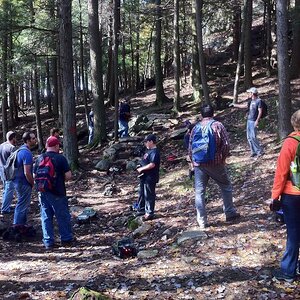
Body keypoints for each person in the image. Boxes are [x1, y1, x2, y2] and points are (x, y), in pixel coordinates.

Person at [189, 104, 240, 229]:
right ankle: (229, 212)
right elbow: (226, 144)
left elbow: (190, 147)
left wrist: (192, 162)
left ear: (201, 115)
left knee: (199, 192)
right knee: (226, 186)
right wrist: (223, 158)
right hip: (216, 163)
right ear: (213, 113)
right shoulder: (218, 125)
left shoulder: (196, 128)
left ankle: (202, 221)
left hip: (199, 165)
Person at [271, 109, 300, 283]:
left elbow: (282, 172)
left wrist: (275, 196)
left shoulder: (290, 143)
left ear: (294, 123)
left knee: (294, 233)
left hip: (293, 195)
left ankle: (288, 271)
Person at [34, 136, 73, 250]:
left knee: (46, 216)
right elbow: (68, 175)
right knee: (62, 215)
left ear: (46, 146)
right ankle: (66, 239)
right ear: (56, 146)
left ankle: (48, 241)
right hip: (58, 192)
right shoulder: (60, 158)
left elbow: (34, 176)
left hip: (42, 191)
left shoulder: (39, 158)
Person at [231, 87, 264, 158]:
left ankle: (259, 151)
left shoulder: (259, 101)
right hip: (249, 121)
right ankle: (253, 152)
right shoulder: (250, 101)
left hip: (253, 121)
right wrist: (235, 105)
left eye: (249, 93)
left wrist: (257, 121)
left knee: (253, 137)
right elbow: (244, 106)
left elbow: (260, 111)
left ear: (252, 93)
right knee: (249, 137)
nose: (248, 94)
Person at [12, 131, 36, 226]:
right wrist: (32, 183)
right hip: (23, 183)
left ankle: (22, 226)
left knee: (23, 203)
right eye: (33, 138)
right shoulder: (26, 153)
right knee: (22, 204)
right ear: (28, 140)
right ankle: (17, 227)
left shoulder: (20, 150)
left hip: (17, 181)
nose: (35, 140)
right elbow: (27, 172)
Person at [136, 134, 160, 221]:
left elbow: (152, 164)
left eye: (146, 142)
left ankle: (149, 213)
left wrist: (142, 168)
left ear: (151, 141)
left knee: (149, 194)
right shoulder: (148, 151)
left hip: (151, 176)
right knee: (142, 193)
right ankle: (141, 209)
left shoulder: (155, 152)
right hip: (144, 176)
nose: (145, 144)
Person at [0, 131, 17, 215]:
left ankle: (5, 205)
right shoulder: (12, 148)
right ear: (13, 138)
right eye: (15, 138)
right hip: (9, 172)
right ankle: (5, 208)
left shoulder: (1, 146)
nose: (16, 139)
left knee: (5, 189)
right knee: (9, 190)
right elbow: (14, 161)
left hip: (2, 171)